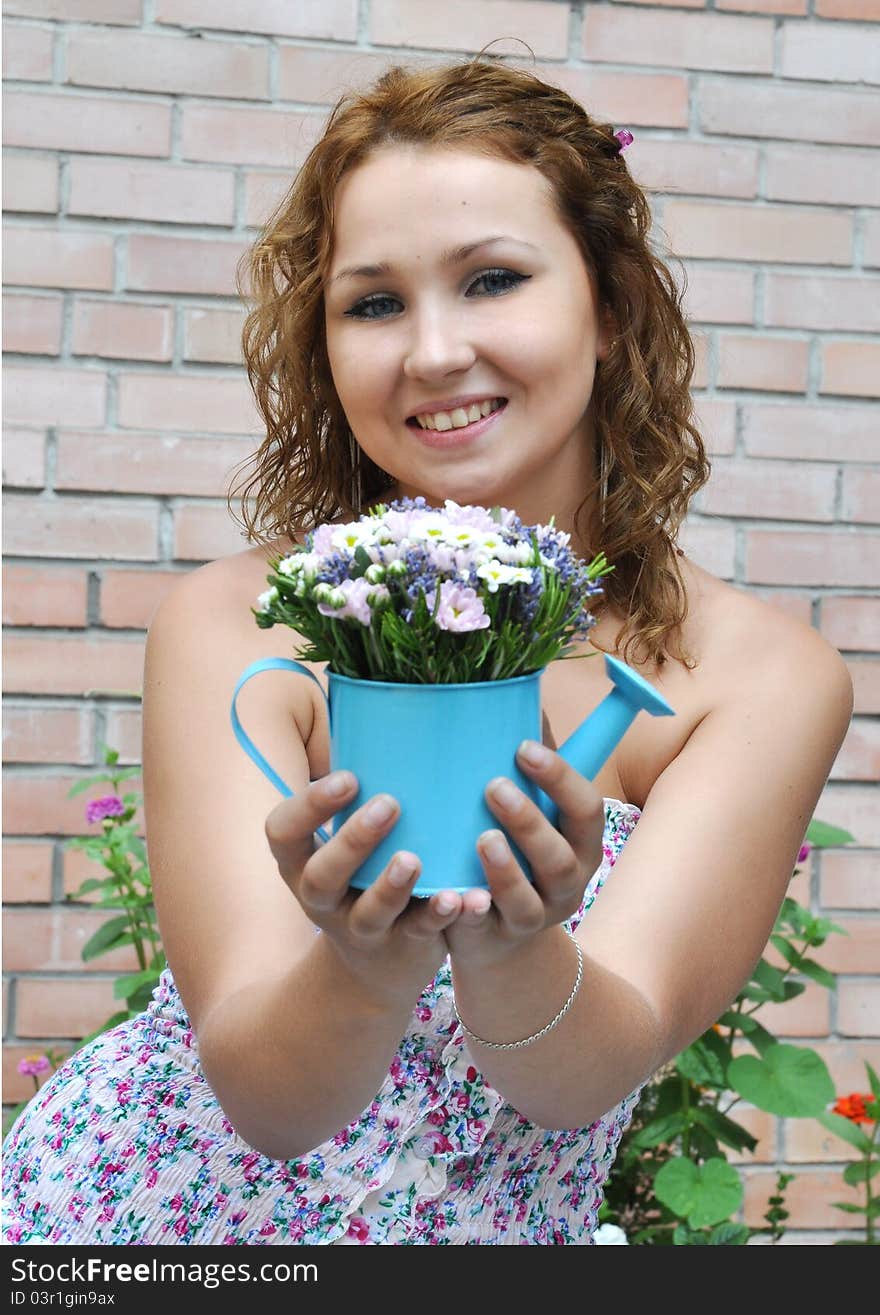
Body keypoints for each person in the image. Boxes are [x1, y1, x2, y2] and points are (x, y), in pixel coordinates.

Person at [3, 59, 853, 1247]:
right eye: (373, 303)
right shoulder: (235, 625)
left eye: (492, 279)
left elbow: (574, 1082)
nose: (433, 353)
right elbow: (267, 1096)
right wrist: (363, 961)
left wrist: (515, 943)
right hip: (124, 1226)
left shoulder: (756, 679)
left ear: (608, 307)